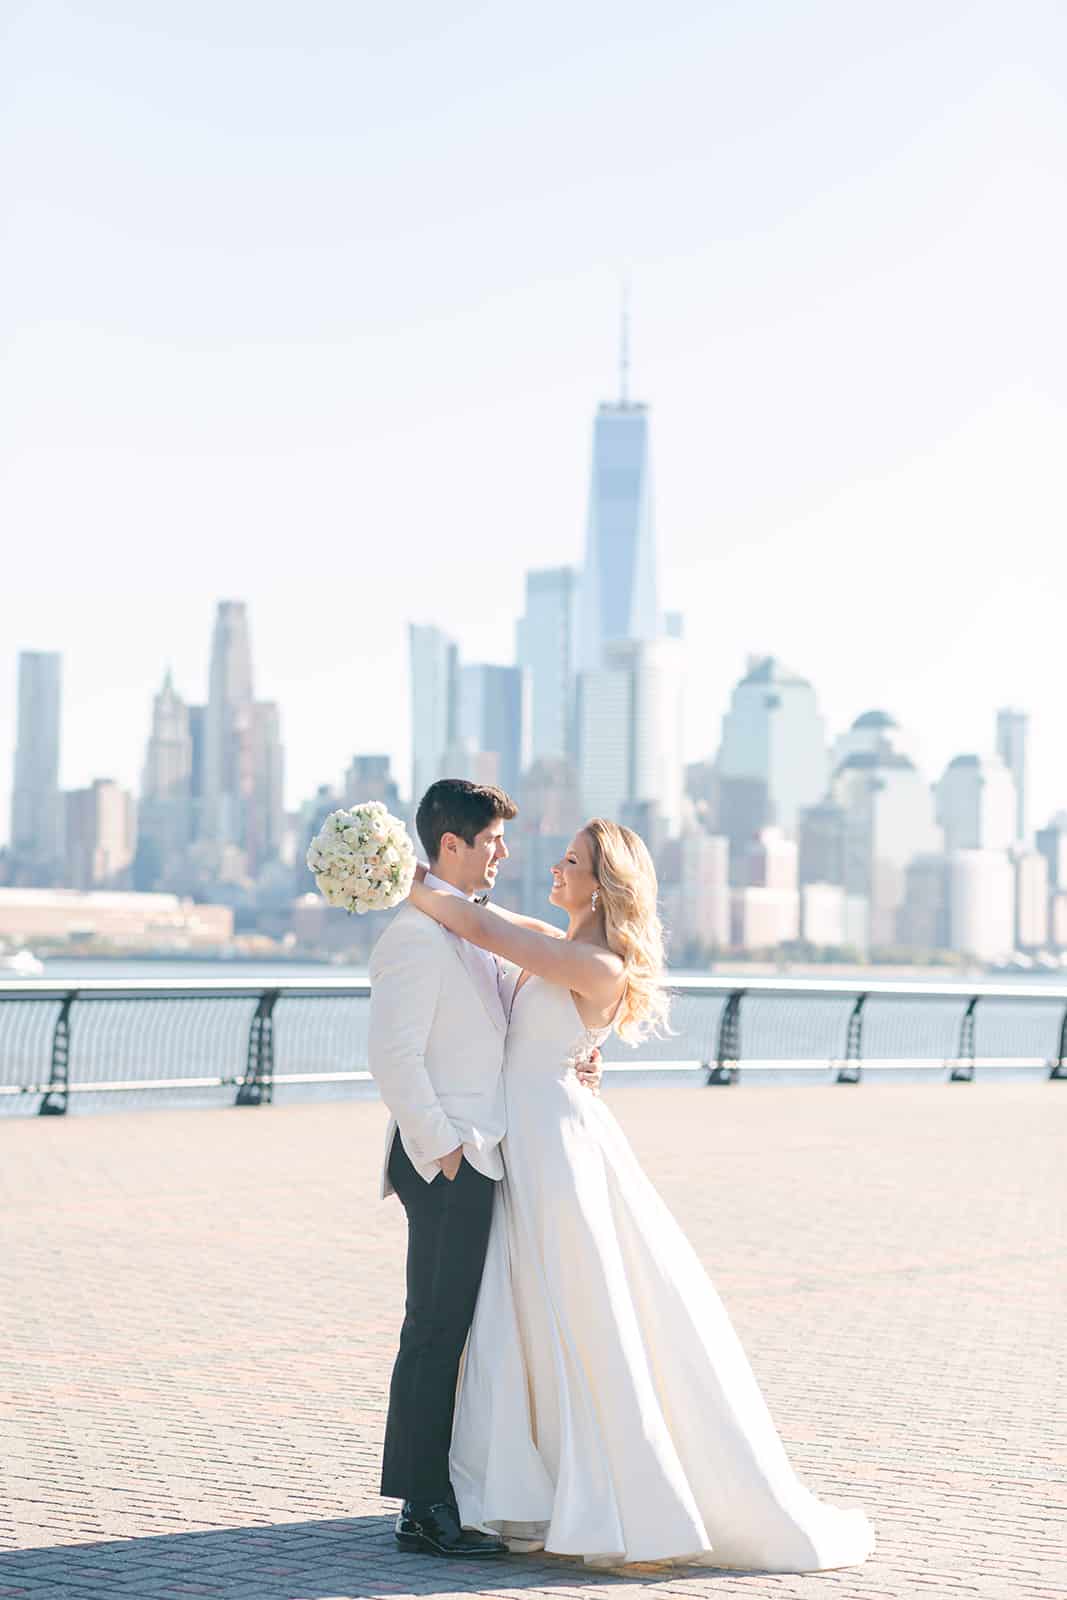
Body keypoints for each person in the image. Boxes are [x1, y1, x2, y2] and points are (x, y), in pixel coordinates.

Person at [407, 817, 876, 1571]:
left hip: (555, 1146)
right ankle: (542, 1486)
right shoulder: (559, 946)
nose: (554, 869)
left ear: (604, 884)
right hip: (524, 1135)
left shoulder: (596, 965)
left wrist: (386, 872)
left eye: (571, 862)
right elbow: (490, 924)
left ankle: (624, 1499)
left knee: (580, 1312)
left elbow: (472, 923)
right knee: (526, 1310)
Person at [366, 779, 601, 1560]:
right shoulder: (413, 936)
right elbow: (393, 1060)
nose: (504, 851)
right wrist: (444, 1152)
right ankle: (421, 1507)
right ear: (452, 845)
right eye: (492, 839)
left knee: (461, 1333)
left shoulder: (466, 931)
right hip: (448, 1163)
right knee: (433, 1331)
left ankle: (454, 1488)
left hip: (487, 1153)